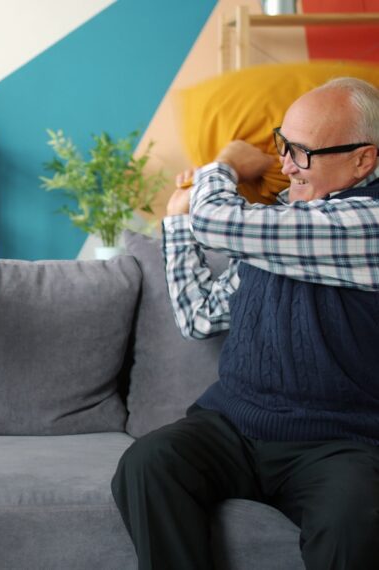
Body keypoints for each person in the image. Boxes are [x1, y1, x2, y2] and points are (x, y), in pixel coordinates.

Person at [112, 77, 379, 569]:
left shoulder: (367, 224)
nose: (283, 164)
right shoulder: (280, 222)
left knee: (356, 519)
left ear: (363, 159)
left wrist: (227, 163)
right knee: (147, 464)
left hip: (337, 443)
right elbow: (201, 316)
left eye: (302, 153)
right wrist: (175, 222)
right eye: (283, 145)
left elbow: (215, 219)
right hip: (234, 425)